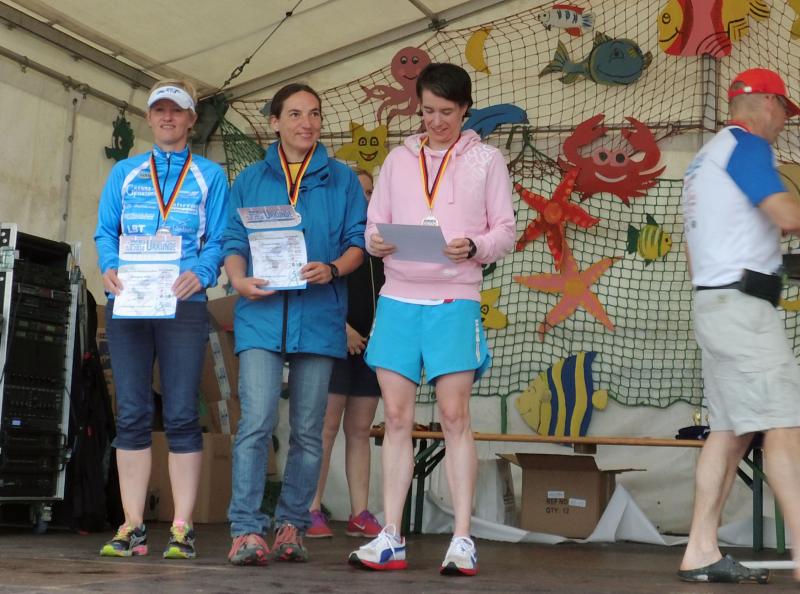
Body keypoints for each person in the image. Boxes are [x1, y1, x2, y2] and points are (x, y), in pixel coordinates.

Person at [348, 63, 515, 576]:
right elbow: (373, 223)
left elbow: (505, 231)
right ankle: (390, 535)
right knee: (396, 418)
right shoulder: (399, 159)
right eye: (427, 111)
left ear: (465, 110)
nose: (436, 121)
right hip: (398, 298)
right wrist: (375, 242)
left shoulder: (487, 160)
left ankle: (462, 539)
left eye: (446, 111)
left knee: (454, 416)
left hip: (454, 299)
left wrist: (475, 246)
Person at [223, 83, 366, 566]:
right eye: (296, 114)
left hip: (320, 317)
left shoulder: (342, 179)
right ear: (275, 122)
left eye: (315, 114)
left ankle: (291, 526)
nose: (308, 123)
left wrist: (334, 269)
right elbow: (232, 240)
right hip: (260, 316)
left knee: (308, 430)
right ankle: (245, 529)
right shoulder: (250, 178)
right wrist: (238, 280)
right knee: (256, 423)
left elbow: (358, 242)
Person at [94, 79, 229, 559]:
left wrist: (203, 273)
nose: (167, 117)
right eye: (159, 110)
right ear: (149, 118)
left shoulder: (210, 175)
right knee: (131, 412)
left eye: (177, 110)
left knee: (181, 413)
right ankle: (131, 525)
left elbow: (219, 238)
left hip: (182, 302)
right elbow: (105, 230)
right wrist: (109, 266)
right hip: (130, 302)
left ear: (191, 119)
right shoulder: (125, 173)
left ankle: (182, 526)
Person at [679, 68, 800, 584]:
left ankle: (699, 551)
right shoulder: (748, 147)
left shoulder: (704, 159)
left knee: (729, 432)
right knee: (785, 423)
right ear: (769, 103)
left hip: (713, 302)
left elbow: (703, 248)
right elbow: (786, 215)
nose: (784, 123)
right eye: (784, 112)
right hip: (744, 310)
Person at [306, 169, 384, 540]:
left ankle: (359, 512)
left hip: (371, 347)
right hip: (333, 341)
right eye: (359, 192)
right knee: (325, 429)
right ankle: (311, 508)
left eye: (370, 192)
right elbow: (314, 287)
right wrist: (343, 328)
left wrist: (376, 334)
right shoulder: (329, 236)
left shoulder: (380, 242)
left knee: (359, 430)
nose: (365, 199)